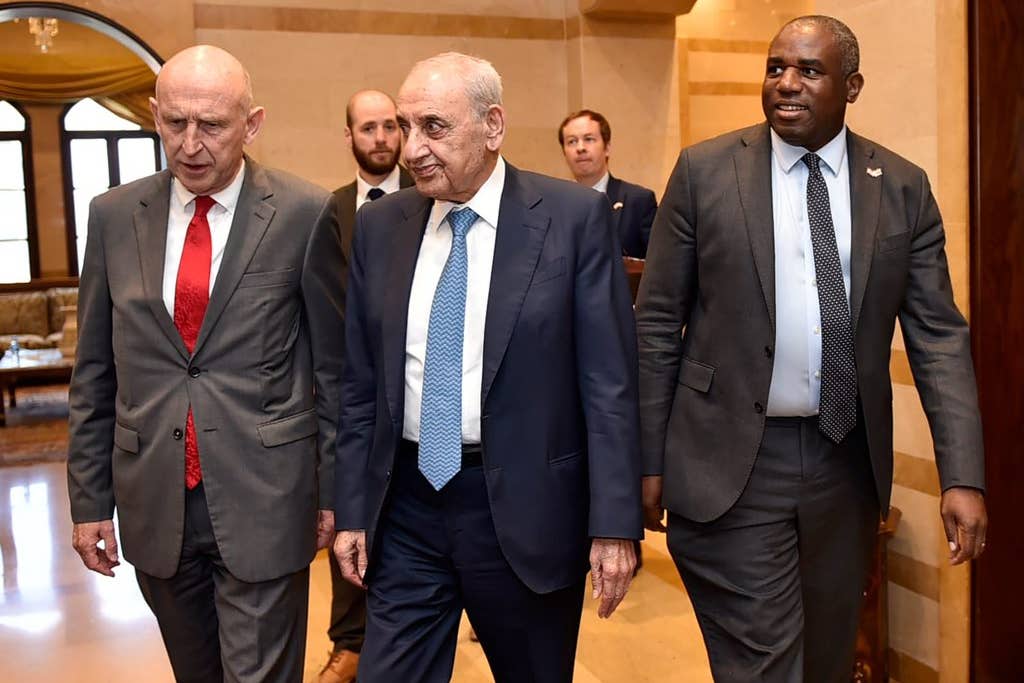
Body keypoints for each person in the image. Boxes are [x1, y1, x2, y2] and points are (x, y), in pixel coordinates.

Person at [635, 15, 988, 683]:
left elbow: (939, 335)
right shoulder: (705, 173)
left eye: (809, 70)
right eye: (775, 68)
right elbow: (656, 324)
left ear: (851, 86)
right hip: (730, 464)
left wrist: (961, 473)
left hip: (844, 466)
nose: (786, 84)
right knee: (766, 665)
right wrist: (646, 459)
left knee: (825, 661)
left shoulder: (902, 187)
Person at [333, 52, 641, 683]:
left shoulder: (572, 219)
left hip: (525, 510)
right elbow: (360, 386)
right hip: (409, 507)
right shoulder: (381, 226)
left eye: (433, 128)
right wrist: (353, 510)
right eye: (404, 125)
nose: (411, 148)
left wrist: (614, 525)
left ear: (493, 126)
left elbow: (608, 385)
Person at [67, 45, 345, 683]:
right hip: (155, 501)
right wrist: (88, 502)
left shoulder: (304, 214)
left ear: (252, 124)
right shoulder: (113, 217)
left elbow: (333, 370)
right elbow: (94, 373)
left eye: (213, 126)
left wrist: (334, 493)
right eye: (174, 123)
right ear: (154, 116)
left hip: (267, 496)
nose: (191, 144)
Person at [317, 88, 412, 683]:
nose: (380, 139)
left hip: (425, 394)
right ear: (348, 137)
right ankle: (349, 643)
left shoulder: (432, 197)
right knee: (350, 517)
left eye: (389, 127)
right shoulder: (329, 212)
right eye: (367, 128)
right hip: (353, 397)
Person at [559, 109, 658, 258]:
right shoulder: (555, 205)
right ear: (564, 153)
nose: (580, 148)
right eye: (572, 141)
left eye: (589, 139)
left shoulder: (638, 201)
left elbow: (657, 263)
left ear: (607, 148)